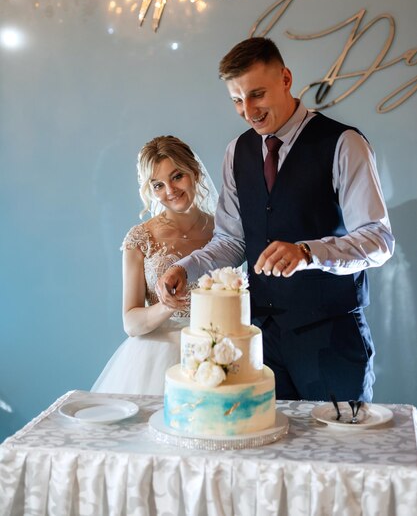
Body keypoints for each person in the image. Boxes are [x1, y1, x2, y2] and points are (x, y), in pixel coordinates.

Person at [157, 37, 395, 403]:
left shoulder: (344, 143)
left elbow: (378, 240)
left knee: (334, 454)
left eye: (256, 94)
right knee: (265, 453)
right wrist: (185, 268)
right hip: (260, 343)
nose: (247, 110)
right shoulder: (237, 151)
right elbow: (232, 240)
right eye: (237, 100)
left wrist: (307, 252)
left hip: (330, 337)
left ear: (286, 79)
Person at [91, 135, 216, 395]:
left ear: (194, 172)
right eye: (158, 185)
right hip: (158, 362)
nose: (170, 190)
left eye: (177, 176)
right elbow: (131, 323)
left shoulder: (225, 234)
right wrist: (165, 307)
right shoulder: (140, 238)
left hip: (217, 355)